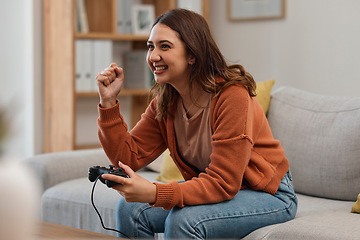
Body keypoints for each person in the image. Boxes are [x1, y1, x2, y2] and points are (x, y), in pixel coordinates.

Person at [96, 8, 297, 239]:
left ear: (192, 54)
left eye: (165, 46)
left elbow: (223, 182)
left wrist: (155, 191)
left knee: (184, 220)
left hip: (269, 194)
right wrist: (108, 102)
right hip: (221, 190)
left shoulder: (232, 95)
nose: (153, 56)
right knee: (131, 209)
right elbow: (128, 157)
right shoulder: (166, 100)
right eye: (150, 46)